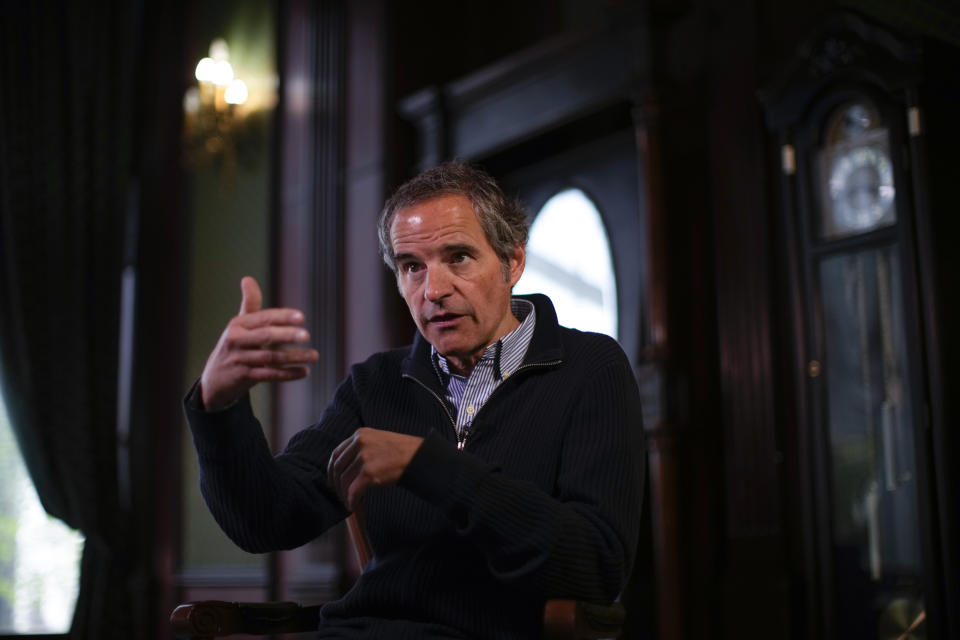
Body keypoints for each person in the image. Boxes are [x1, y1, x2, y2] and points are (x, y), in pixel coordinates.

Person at [184, 161, 644, 639]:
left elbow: (596, 564)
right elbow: (267, 522)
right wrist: (219, 407)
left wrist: (429, 465)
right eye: (412, 267)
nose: (434, 290)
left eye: (459, 257)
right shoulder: (377, 383)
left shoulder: (590, 368)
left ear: (512, 262)